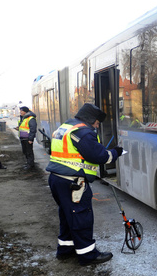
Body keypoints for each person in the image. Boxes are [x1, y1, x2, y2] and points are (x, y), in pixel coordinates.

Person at [46, 103, 124, 266]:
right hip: (73, 183)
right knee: (81, 217)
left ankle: (65, 251)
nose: (97, 125)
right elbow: (99, 156)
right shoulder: (82, 131)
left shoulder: (66, 126)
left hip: (57, 179)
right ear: (89, 119)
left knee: (68, 216)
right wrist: (116, 152)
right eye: (96, 122)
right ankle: (88, 255)